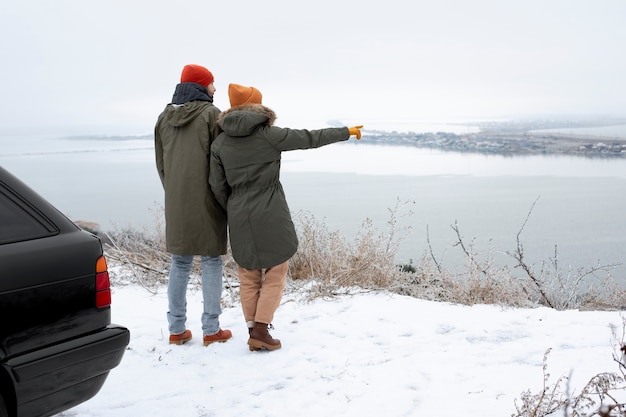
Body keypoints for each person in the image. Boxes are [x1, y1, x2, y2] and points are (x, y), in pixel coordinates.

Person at [209, 83, 362, 351]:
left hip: (238, 213)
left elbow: (217, 185)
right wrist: (345, 132)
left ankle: (252, 329)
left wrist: (232, 206)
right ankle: (261, 329)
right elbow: (309, 138)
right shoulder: (269, 135)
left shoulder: (220, 142)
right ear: (256, 107)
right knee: (276, 270)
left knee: (248, 274)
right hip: (270, 210)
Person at [155, 64, 232, 346]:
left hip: (176, 200)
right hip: (208, 199)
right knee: (211, 261)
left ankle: (176, 329)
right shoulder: (212, 115)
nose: (215, 88)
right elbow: (219, 163)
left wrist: (175, 191)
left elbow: (161, 164)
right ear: (201, 86)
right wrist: (222, 197)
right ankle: (211, 330)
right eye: (212, 83)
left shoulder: (164, 117)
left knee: (180, 262)